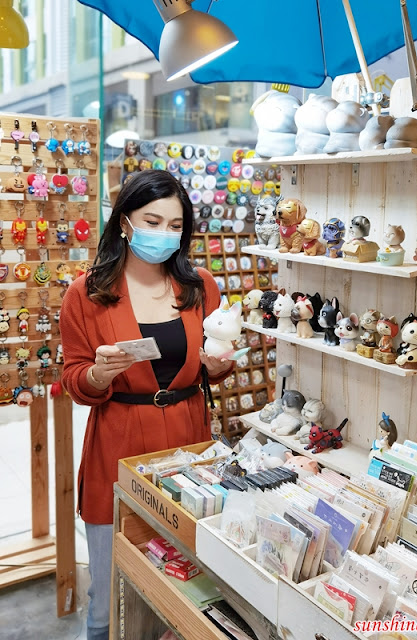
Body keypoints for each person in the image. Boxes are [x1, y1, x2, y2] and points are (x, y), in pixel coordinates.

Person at [60, 170, 232, 640]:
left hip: (188, 441)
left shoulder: (200, 286)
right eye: (152, 222)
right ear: (124, 223)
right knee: (110, 590)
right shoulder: (87, 293)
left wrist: (218, 366)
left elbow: (210, 361)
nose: (164, 235)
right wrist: (98, 374)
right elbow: (75, 377)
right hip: (118, 442)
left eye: (175, 225)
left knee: (184, 581)